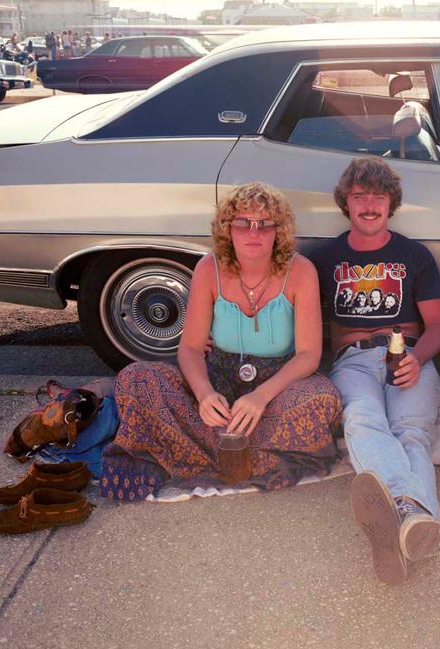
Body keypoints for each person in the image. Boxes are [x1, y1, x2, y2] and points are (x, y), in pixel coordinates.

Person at [100, 183, 342, 500]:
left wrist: (260, 398)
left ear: (277, 230)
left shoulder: (300, 271)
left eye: (264, 223)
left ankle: (198, 452)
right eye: (243, 222)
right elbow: (189, 348)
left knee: (321, 397)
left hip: (277, 385)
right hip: (219, 378)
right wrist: (203, 395)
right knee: (138, 378)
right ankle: (242, 454)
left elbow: (309, 355)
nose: (253, 232)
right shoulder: (208, 268)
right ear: (228, 228)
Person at [309, 158, 440, 585]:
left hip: (407, 352)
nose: (369, 205)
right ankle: (413, 514)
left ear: (391, 203)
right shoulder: (324, 259)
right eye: (359, 196)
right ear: (345, 203)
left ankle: (404, 522)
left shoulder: (413, 255)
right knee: (363, 418)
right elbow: (288, 310)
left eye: (378, 196)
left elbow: (439, 325)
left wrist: (418, 358)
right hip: (353, 359)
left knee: (410, 432)